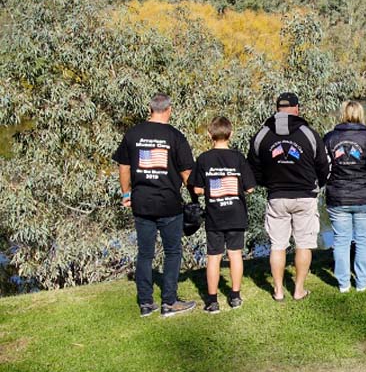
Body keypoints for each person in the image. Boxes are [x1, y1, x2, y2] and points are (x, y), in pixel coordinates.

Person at [113, 93, 196, 318]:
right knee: (172, 252)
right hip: (169, 203)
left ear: (150, 109)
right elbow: (187, 173)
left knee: (145, 254)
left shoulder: (133, 134)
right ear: (168, 109)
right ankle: (169, 301)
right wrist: (197, 194)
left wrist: (125, 193)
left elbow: (123, 166)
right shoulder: (175, 136)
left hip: (142, 203)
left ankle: (146, 303)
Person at [247, 92, 329, 301]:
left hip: (277, 196)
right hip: (305, 196)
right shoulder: (309, 133)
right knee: (303, 243)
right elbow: (323, 165)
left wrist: (269, 183)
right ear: (296, 108)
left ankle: (278, 290)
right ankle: (298, 289)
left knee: (277, 245)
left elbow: (253, 168)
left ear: (277, 109)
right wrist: (318, 183)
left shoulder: (262, 134)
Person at [189, 117, 256, 312]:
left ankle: (212, 301)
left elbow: (198, 189)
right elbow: (250, 188)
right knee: (235, 254)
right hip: (236, 213)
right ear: (231, 134)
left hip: (214, 215)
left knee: (213, 257)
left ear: (210, 135)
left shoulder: (203, 159)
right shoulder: (238, 158)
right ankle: (235, 296)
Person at [324, 101, 366, 293]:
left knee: (341, 240)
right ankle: (362, 282)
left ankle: (343, 283)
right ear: (360, 114)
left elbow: (323, 167)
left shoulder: (329, 138)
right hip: (364, 196)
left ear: (343, 114)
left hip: (338, 196)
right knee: (363, 240)